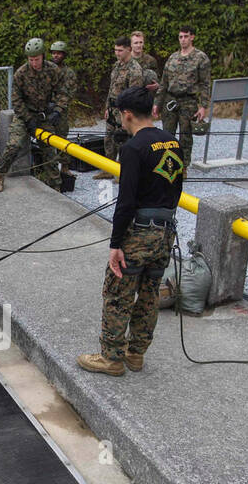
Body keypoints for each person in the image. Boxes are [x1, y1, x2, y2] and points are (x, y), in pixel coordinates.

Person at [77, 86, 184, 375]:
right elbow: (176, 190)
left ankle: (111, 357)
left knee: (117, 293)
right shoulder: (172, 143)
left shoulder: (133, 149)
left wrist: (115, 243)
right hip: (165, 232)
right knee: (150, 294)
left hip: (139, 232)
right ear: (152, 110)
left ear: (126, 115)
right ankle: (136, 354)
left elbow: (126, 202)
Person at [0, 38, 69, 192]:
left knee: (49, 150)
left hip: (43, 116)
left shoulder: (53, 70)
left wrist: (57, 111)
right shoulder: (21, 73)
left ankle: (56, 185)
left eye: (37, 59)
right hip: (24, 115)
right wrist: (28, 120)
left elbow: (63, 93)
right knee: (14, 145)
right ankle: (0, 176)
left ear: (43, 56)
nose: (34, 63)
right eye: (31, 59)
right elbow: (16, 99)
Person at [157, 26, 212, 156]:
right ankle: (168, 164)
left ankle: (184, 166)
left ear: (192, 37)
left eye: (186, 36)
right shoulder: (173, 58)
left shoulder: (200, 58)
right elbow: (164, 83)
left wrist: (203, 106)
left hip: (188, 102)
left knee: (185, 137)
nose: (183, 40)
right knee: (167, 136)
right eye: (180, 37)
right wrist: (157, 103)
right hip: (170, 101)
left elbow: (205, 84)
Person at [99, 35, 146, 179]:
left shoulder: (135, 70)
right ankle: (108, 169)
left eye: (120, 50)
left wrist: (127, 115)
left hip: (124, 111)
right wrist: (107, 107)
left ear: (129, 50)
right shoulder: (117, 65)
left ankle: (123, 173)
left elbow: (134, 96)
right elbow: (111, 88)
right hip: (113, 109)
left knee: (123, 142)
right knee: (109, 140)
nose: (117, 53)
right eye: (115, 50)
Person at [50, 40, 78, 185]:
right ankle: (49, 169)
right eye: (53, 53)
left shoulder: (69, 73)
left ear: (64, 55)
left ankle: (65, 167)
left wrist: (59, 108)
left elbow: (69, 93)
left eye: (58, 53)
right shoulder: (46, 70)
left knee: (62, 139)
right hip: (47, 110)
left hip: (61, 112)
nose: (56, 56)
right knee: (47, 140)